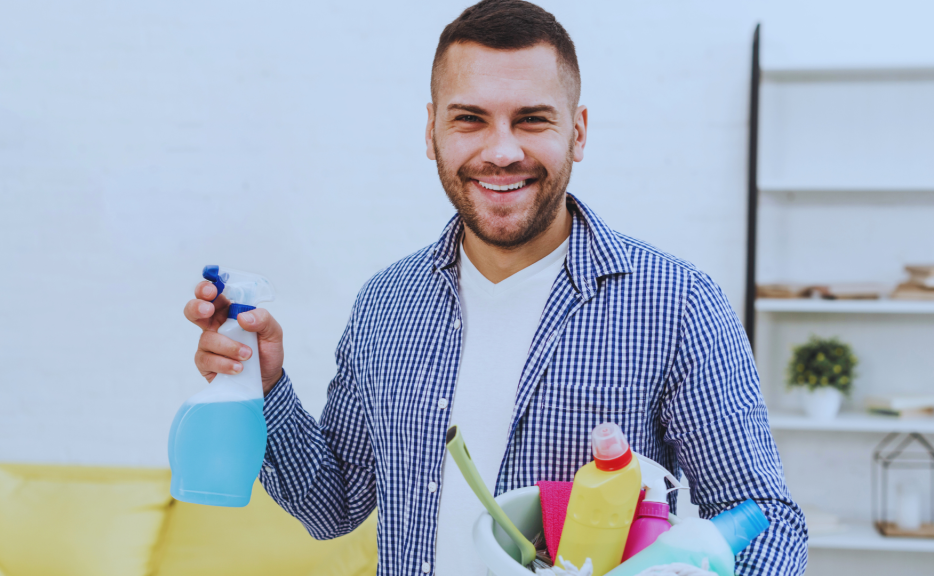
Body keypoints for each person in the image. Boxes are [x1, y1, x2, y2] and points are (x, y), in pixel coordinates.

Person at [183, 1, 808, 574]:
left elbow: (767, 526)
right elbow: (333, 507)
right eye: (470, 120)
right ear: (432, 131)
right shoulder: (386, 304)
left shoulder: (678, 304)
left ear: (579, 131)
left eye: (532, 119)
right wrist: (264, 386)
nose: (502, 151)